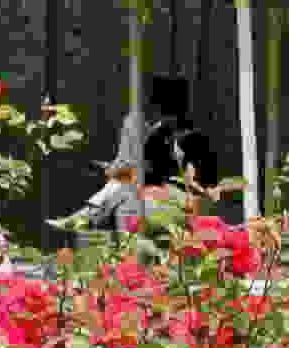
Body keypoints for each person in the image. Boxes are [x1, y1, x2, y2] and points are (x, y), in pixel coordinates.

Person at [78, 75, 201, 238]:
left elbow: (152, 171)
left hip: (168, 194)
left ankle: (89, 214)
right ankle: (89, 214)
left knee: (124, 189)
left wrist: (118, 170)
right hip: (150, 187)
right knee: (124, 188)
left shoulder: (170, 133)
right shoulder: (169, 130)